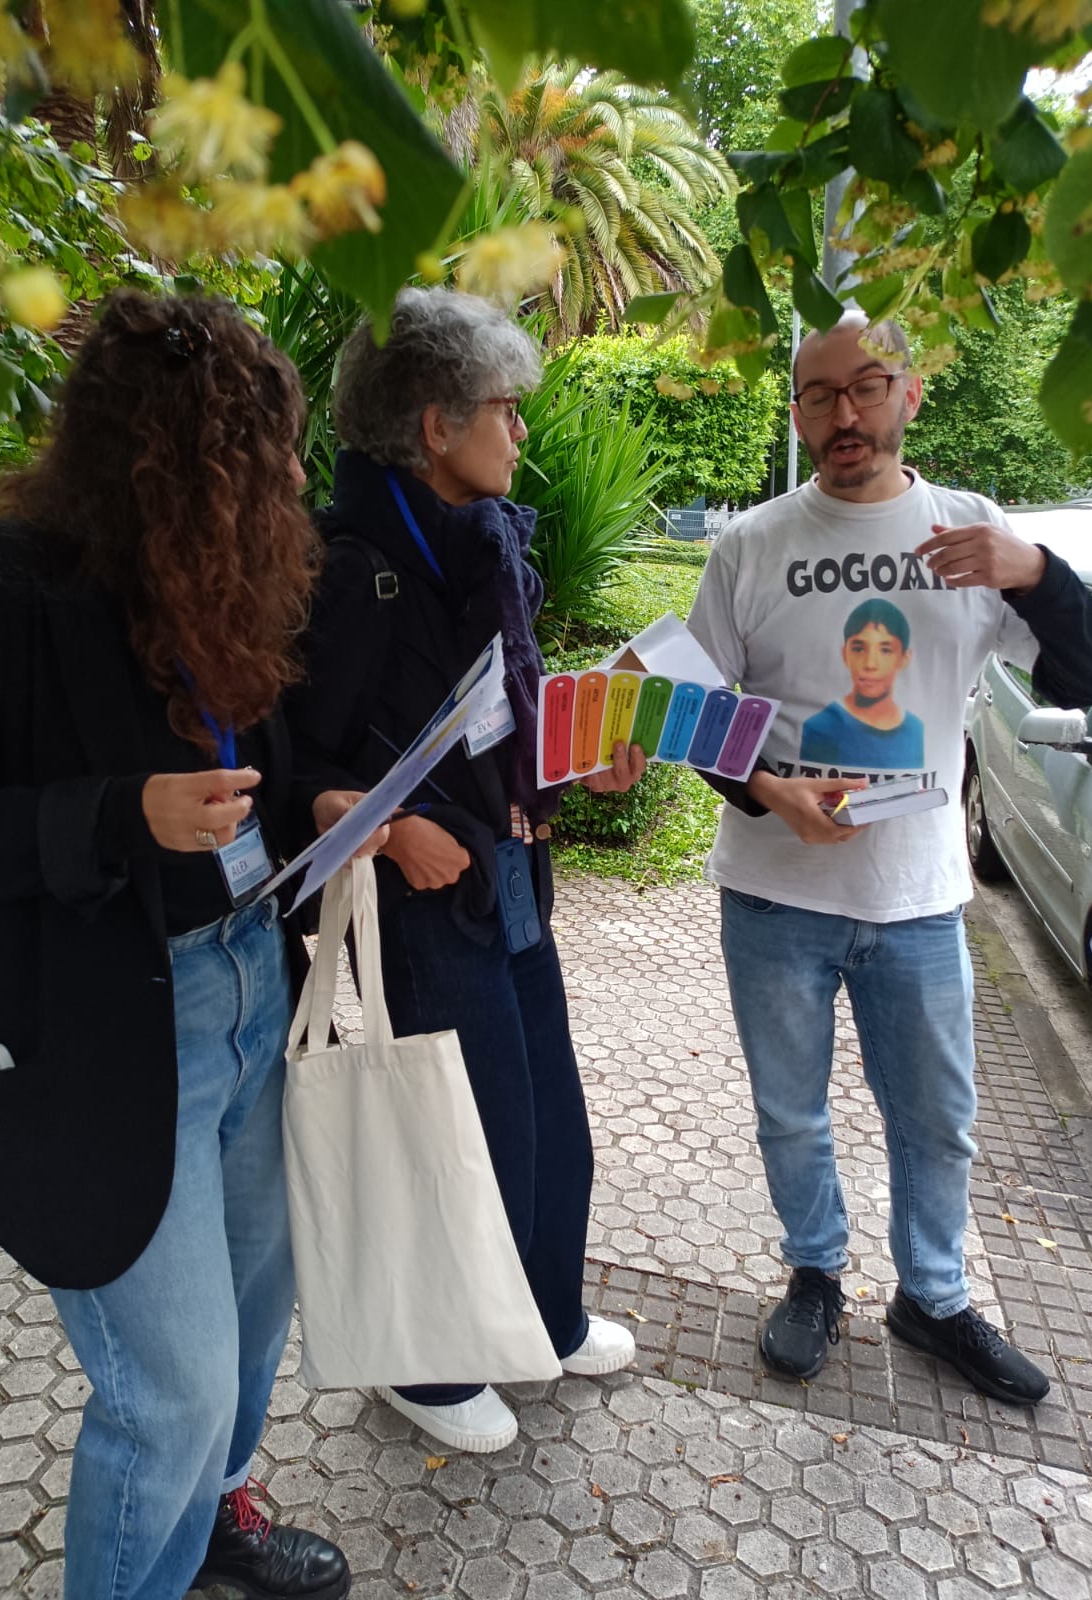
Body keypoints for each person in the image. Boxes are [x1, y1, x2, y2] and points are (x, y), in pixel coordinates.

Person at [0, 290, 386, 1600]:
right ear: (189, 464)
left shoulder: (217, 582)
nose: (297, 481)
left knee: (250, 1335)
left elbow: (266, 759)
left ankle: (210, 1534)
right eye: (274, 455)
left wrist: (317, 805)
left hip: (255, 980)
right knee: (172, 1391)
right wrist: (117, 818)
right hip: (106, 1034)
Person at [687, 311, 1092, 1406]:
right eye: (818, 394)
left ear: (909, 393)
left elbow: (1086, 671)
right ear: (796, 407)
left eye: (866, 386)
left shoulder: (971, 533)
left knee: (935, 1114)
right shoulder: (751, 545)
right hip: (774, 891)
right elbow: (690, 707)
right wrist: (763, 786)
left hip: (920, 899)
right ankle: (815, 1272)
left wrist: (1034, 568)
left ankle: (933, 1297)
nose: (843, 413)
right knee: (790, 1109)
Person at [286, 285, 645, 1454]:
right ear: (434, 426)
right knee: (455, 1131)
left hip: (511, 880)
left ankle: (538, 1315)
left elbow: (500, 723)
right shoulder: (352, 567)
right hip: (425, 902)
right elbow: (298, 763)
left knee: (545, 1120)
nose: (522, 429)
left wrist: (576, 768)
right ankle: (427, 1367)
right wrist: (391, 833)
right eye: (505, 407)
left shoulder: (481, 547)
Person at [799, 598, 924, 767]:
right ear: (845, 655)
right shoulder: (819, 728)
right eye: (858, 649)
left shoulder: (916, 730)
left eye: (885, 650)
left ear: (904, 658)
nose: (870, 664)